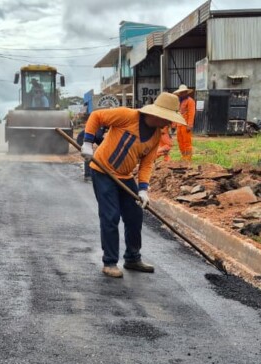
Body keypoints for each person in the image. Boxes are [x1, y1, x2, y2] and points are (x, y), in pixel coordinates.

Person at [80, 92, 187, 278]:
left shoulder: (156, 136)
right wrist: (88, 143)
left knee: (135, 215)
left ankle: (132, 258)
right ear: (157, 114)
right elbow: (96, 116)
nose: (169, 123)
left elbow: (147, 164)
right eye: (168, 118)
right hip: (103, 171)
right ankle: (110, 262)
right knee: (110, 216)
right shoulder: (128, 115)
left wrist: (143, 189)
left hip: (125, 176)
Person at [172, 84, 196, 161]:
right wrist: (174, 124)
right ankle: (183, 156)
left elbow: (191, 113)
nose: (182, 93)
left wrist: (189, 125)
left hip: (185, 125)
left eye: (184, 92)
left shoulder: (190, 101)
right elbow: (176, 113)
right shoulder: (179, 102)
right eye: (181, 92)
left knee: (187, 142)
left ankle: (188, 159)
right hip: (179, 125)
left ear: (186, 92)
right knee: (180, 142)